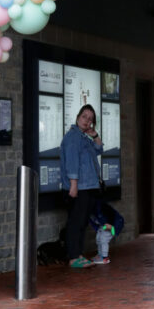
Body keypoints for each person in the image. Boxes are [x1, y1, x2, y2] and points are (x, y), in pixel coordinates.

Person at [60, 104, 103, 268]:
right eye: (84, 116)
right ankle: (73, 257)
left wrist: (95, 135)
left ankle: (78, 254)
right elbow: (72, 163)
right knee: (76, 222)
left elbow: (98, 149)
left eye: (90, 119)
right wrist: (73, 186)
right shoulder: (73, 137)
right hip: (80, 187)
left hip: (88, 186)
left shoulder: (84, 137)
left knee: (82, 222)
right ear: (78, 117)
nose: (87, 121)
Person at [88, 199, 124, 265]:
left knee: (103, 240)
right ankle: (100, 255)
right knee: (98, 239)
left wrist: (110, 224)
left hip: (112, 224)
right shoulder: (88, 211)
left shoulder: (99, 206)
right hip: (102, 225)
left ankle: (105, 257)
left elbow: (111, 213)